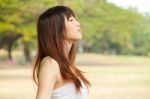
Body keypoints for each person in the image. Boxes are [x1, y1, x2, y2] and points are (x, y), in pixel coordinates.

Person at [33, 5, 91, 99]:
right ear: (56, 28)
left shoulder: (67, 64)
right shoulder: (50, 64)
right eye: (71, 20)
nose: (78, 23)